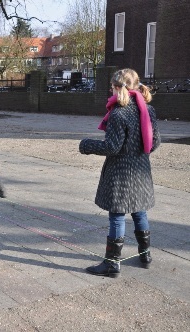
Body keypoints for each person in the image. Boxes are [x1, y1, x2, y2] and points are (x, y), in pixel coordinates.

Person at [79, 68, 161, 277]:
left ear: (118, 87)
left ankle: (112, 263)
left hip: (120, 173)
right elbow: (155, 142)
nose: (110, 90)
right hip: (141, 170)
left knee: (117, 216)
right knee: (139, 211)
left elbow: (112, 147)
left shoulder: (118, 112)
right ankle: (145, 255)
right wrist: (139, 153)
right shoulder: (148, 110)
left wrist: (87, 145)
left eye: (112, 86)